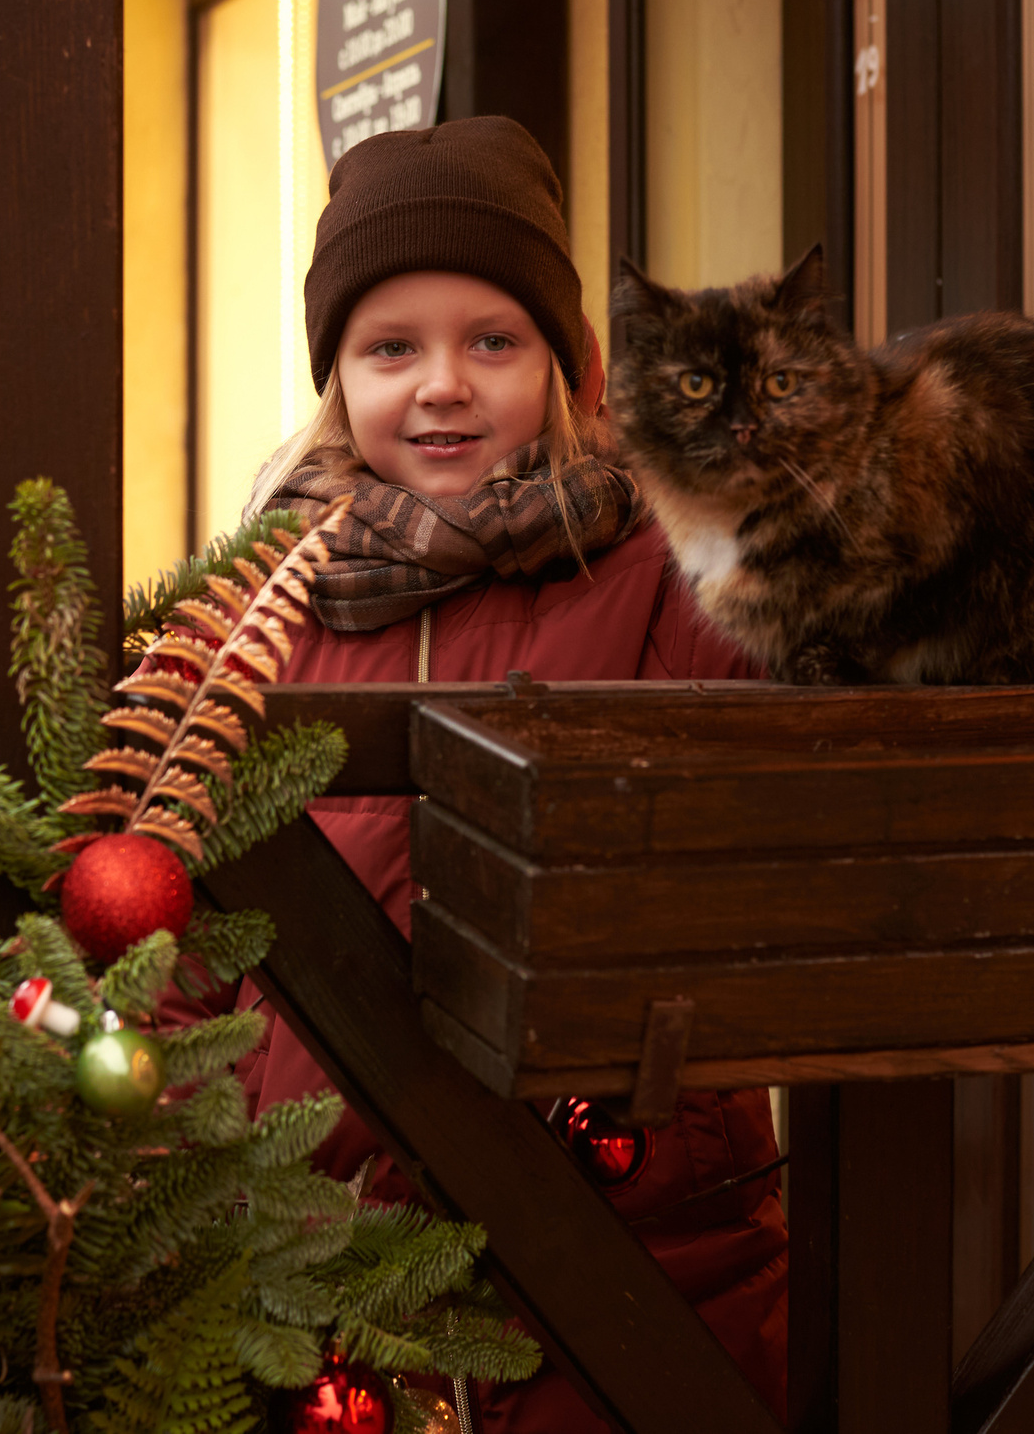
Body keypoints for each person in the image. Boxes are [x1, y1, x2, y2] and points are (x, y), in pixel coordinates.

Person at [235, 117, 788, 1430]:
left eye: (493, 340)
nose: (443, 384)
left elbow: (785, 732)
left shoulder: (664, 561)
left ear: (566, 364)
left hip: (636, 1253)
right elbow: (182, 905)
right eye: (391, 347)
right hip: (325, 1273)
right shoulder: (267, 596)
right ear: (338, 376)